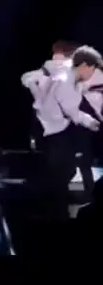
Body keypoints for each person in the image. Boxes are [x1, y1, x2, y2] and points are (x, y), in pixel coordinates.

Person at [32, 45, 102, 221]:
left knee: (65, 172)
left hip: (57, 132)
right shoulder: (65, 82)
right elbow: (73, 112)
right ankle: (56, 217)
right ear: (84, 65)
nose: (92, 74)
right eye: (92, 69)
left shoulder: (70, 79)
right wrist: (92, 123)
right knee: (60, 175)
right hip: (54, 134)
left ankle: (56, 213)